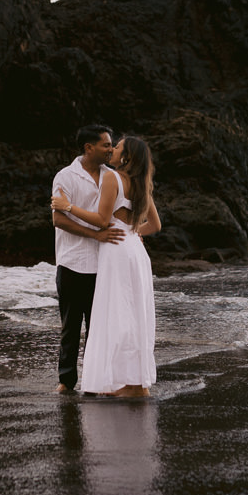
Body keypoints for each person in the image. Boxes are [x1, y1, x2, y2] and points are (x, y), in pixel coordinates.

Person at [53, 135, 161, 398]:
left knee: (115, 315)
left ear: (126, 157)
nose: (113, 150)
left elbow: (102, 220)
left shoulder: (112, 177)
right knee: (134, 316)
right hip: (135, 251)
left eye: (118, 147)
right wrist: (132, 233)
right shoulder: (141, 182)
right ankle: (137, 383)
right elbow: (155, 226)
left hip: (116, 252)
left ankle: (120, 383)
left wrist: (68, 206)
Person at [51, 125, 126, 394]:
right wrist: (95, 235)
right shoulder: (65, 176)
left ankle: (98, 381)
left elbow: (120, 214)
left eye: (112, 145)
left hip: (105, 265)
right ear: (88, 148)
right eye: (106, 145)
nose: (111, 149)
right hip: (72, 262)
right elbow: (59, 219)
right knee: (70, 327)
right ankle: (66, 381)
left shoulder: (112, 176)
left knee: (99, 328)